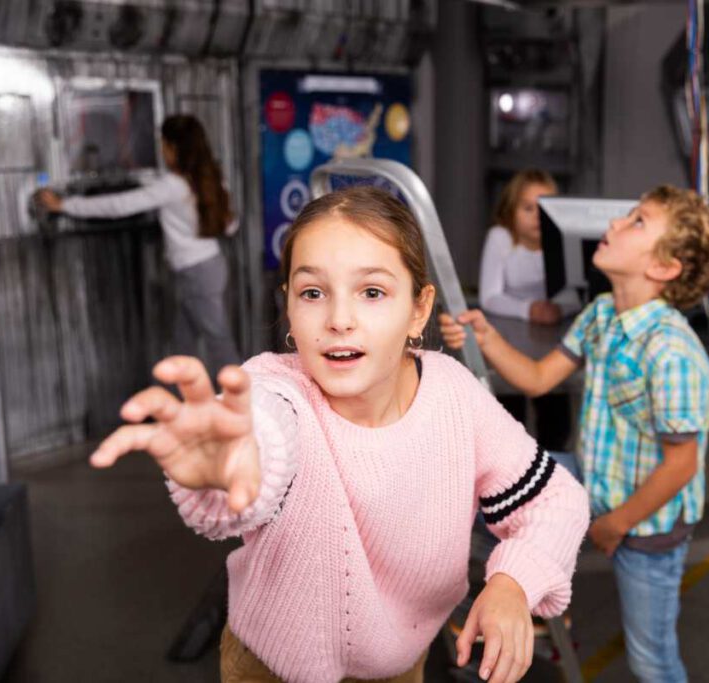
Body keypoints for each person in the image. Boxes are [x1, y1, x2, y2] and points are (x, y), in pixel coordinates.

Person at [88, 185, 589, 683]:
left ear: (418, 309)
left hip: (401, 666)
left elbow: (556, 500)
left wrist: (511, 583)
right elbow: (264, 431)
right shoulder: (278, 389)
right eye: (312, 293)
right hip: (269, 670)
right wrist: (232, 462)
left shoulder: (455, 395)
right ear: (289, 307)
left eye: (372, 292)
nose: (339, 320)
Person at [441, 185, 709, 683]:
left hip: (646, 526)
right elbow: (536, 378)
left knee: (651, 659)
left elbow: (681, 464)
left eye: (638, 222)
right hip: (591, 482)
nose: (617, 223)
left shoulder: (673, 352)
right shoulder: (600, 314)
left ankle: (542, 601)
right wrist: (485, 338)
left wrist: (615, 525)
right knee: (491, 498)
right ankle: (525, 598)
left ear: (663, 268)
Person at [38, 114, 240, 370]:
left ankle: (249, 404)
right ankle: (172, 402)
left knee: (219, 344)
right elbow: (232, 226)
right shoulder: (210, 179)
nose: (161, 151)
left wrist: (64, 205)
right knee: (183, 346)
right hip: (210, 266)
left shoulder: (172, 186)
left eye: (163, 145)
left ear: (174, 148)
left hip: (195, 275)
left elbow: (118, 206)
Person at [480, 170, 579, 451]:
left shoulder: (562, 239)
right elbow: (489, 296)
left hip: (552, 337)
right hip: (508, 335)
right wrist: (529, 309)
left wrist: (559, 309)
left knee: (555, 410)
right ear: (511, 211)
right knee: (510, 412)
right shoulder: (500, 238)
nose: (537, 215)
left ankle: (555, 463)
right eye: (528, 208)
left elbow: (576, 292)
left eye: (545, 208)